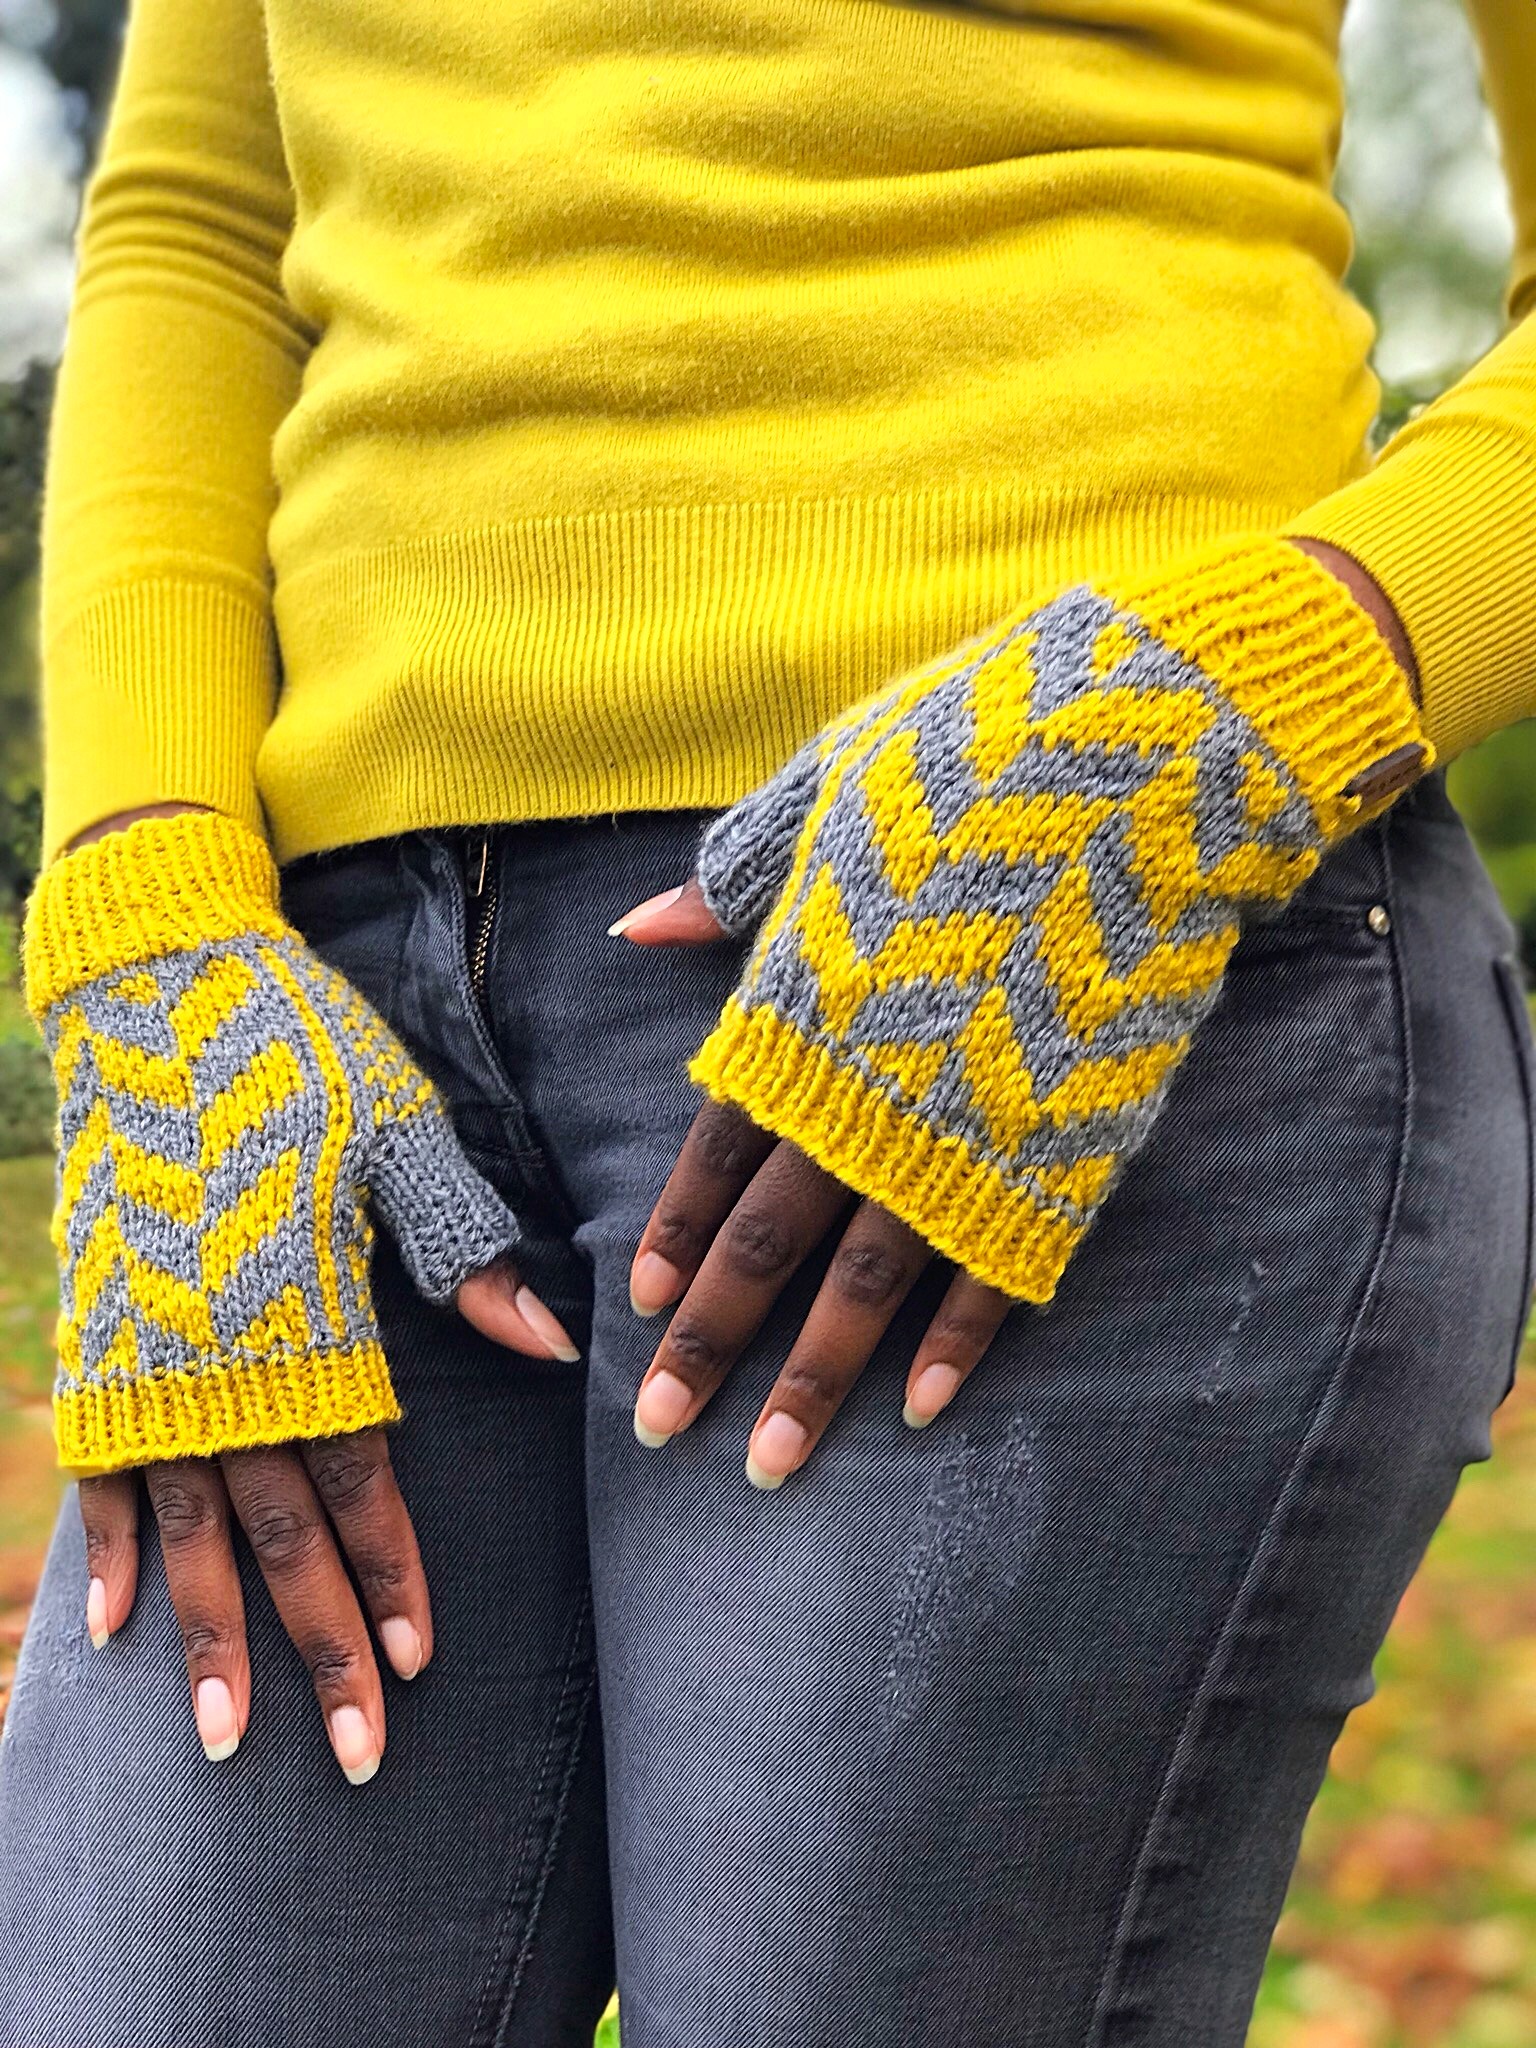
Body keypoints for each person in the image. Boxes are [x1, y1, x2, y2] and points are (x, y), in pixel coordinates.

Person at [2, 0, 1535, 2040]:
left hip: (1055, 923)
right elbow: (199, 213)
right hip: (322, 1028)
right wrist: (151, 896)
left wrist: (1250, 698)